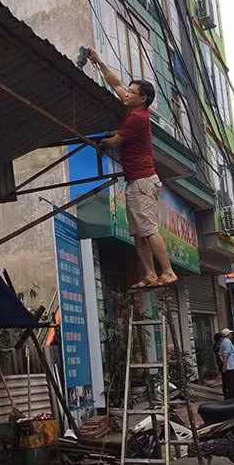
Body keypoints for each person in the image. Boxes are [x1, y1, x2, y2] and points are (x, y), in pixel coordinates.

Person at [87, 48, 177, 289]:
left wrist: (100, 143)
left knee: (147, 229)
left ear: (143, 99)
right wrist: (98, 61)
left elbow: (114, 142)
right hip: (137, 181)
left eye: (132, 92)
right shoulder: (132, 108)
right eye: (128, 90)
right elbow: (114, 83)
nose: (126, 93)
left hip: (143, 181)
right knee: (138, 233)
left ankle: (167, 271)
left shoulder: (138, 119)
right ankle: (149, 274)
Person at [219, 328, 234, 399]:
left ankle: (230, 396)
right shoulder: (227, 342)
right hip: (231, 366)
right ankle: (233, 397)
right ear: (228, 335)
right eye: (230, 333)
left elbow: (220, 355)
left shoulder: (223, 342)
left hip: (229, 366)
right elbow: (226, 354)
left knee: (229, 383)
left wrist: (223, 363)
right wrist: (225, 364)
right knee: (233, 384)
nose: (231, 335)